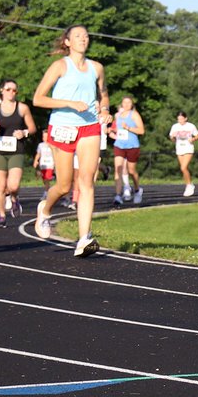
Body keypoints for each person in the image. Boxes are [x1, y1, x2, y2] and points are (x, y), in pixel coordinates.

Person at [32, 24, 112, 258]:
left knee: (86, 182)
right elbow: (38, 99)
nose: (83, 39)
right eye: (77, 36)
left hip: (90, 126)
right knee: (65, 185)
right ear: (67, 42)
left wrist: (105, 109)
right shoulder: (60, 66)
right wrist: (68, 103)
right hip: (62, 127)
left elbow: (103, 93)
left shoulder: (96, 68)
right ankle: (45, 210)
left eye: (86, 36)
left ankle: (84, 238)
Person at [0, 79, 37, 228]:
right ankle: (2, 216)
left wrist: (24, 132)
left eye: (14, 90)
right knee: (0, 186)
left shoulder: (22, 108)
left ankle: (15, 199)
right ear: (2, 90)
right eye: (8, 89)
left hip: (16, 151)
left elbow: (33, 128)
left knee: (13, 186)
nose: (11, 92)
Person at [111, 95, 145, 205]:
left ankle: (137, 190)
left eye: (129, 103)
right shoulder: (118, 115)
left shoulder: (134, 115)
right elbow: (118, 129)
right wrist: (112, 130)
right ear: (121, 104)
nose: (126, 105)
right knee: (118, 169)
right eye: (124, 102)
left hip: (132, 145)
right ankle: (117, 195)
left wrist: (128, 128)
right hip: (119, 144)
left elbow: (141, 131)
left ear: (132, 104)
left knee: (131, 171)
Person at [168, 111, 198, 196]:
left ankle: (189, 185)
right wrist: (172, 137)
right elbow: (172, 139)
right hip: (179, 148)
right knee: (183, 169)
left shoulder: (191, 126)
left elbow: (197, 135)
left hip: (188, 148)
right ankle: (189, 184)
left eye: (182, 119)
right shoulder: (175, 126)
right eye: (178, 119)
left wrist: (193, 139)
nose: (180, 121)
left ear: (185, 118)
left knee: (183, 167)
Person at [33, 129, 55, 198]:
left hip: (50, 164)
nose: (45, 138)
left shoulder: (52, 145)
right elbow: (38, 154)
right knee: (45, 180)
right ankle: (47, 192)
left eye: (46, 137)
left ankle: (47, 193)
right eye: (43, 137)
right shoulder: (41, 145)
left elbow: (55, 154)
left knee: (47, 178)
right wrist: (35, 161)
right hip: (43, 164)